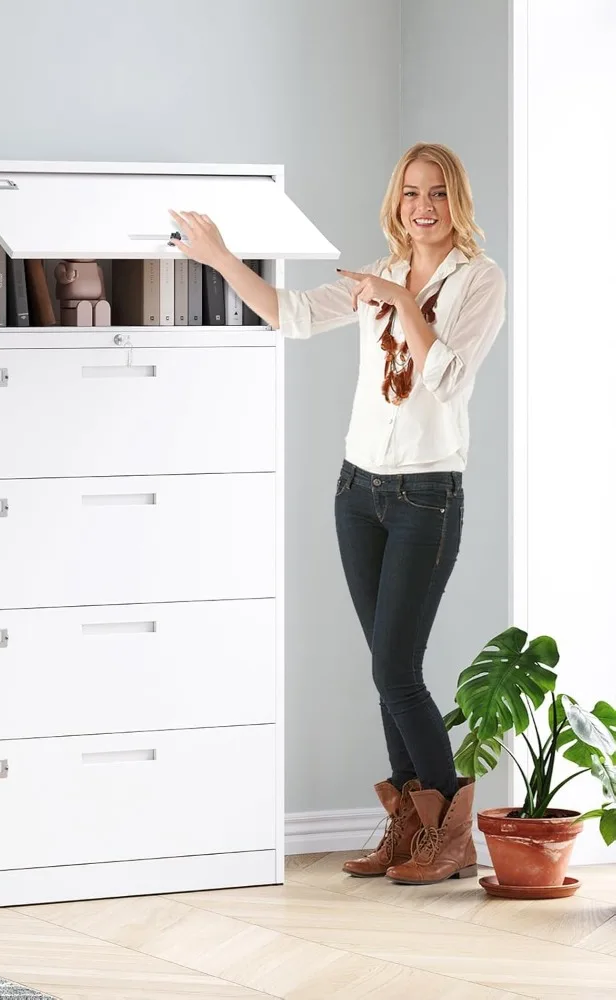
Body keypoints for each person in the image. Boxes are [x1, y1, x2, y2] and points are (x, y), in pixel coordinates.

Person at [169, 142, 505, 886]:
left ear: (458, 203)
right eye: (413, 193)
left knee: (397, 667)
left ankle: (449, 836)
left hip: (427, 494)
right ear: (397, 202)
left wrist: (409, 305)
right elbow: (289, 317)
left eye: (438, 194)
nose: (424, 207)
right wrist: (223, 257)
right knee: (386, 674)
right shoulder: (376, 275)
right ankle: (410, 828)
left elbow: (446, 380)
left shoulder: (480, 280)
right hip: (359, 491)